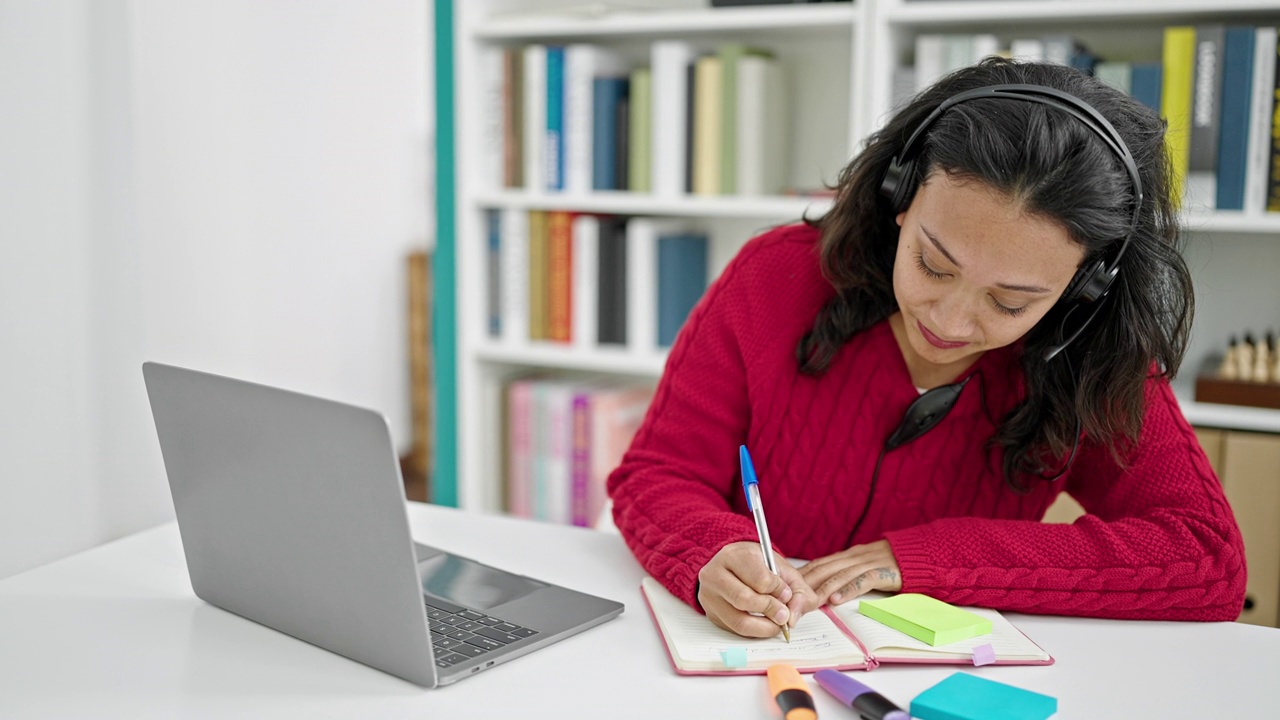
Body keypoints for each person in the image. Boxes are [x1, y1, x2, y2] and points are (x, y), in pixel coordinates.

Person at [606, 57, 1247, 640]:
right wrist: (709, 551)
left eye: (1009, 303)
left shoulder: (1094, 353)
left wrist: (929, 559)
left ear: (1087, 284)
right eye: (934, 266)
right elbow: (658, 474)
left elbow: (1207, 559)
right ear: (900, 195)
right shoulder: (775, 279)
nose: (950, 320)